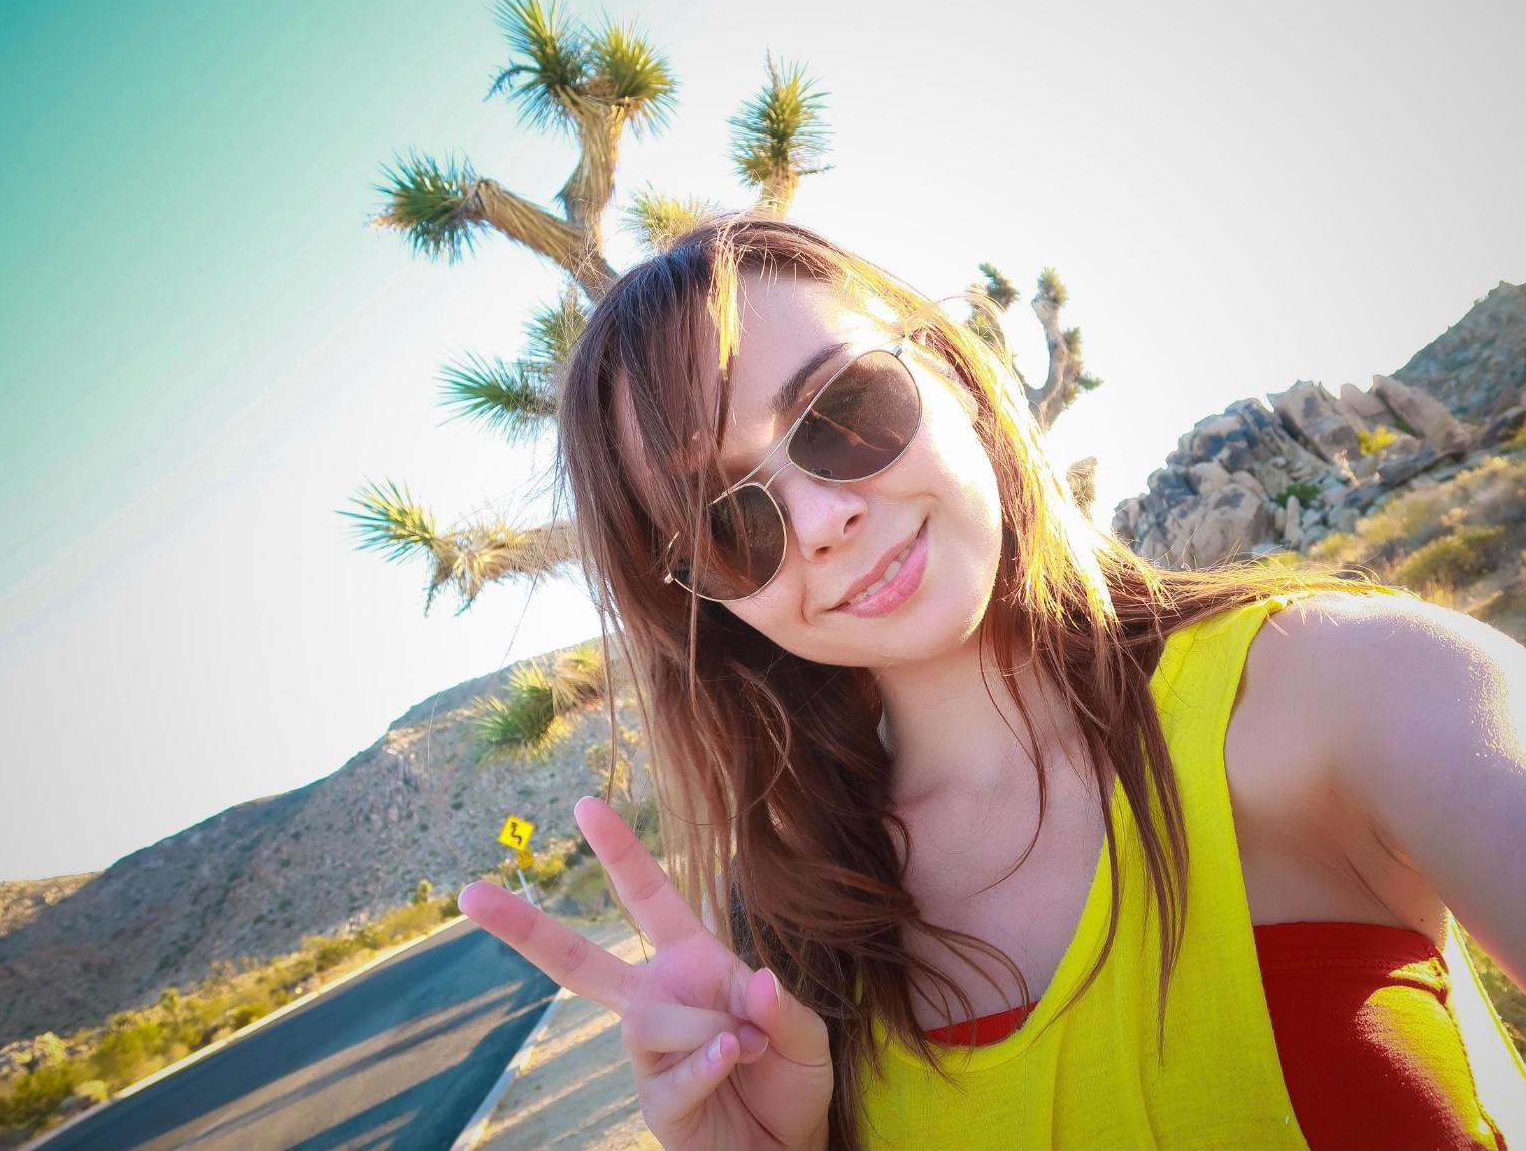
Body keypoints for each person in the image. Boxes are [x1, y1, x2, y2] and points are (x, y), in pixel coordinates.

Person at [459, 214, 1526, 1150]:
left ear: (953, 373)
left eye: (841, 409)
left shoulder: (1346, 688)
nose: (824, 520)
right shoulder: (783, 953)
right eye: (731, 522)